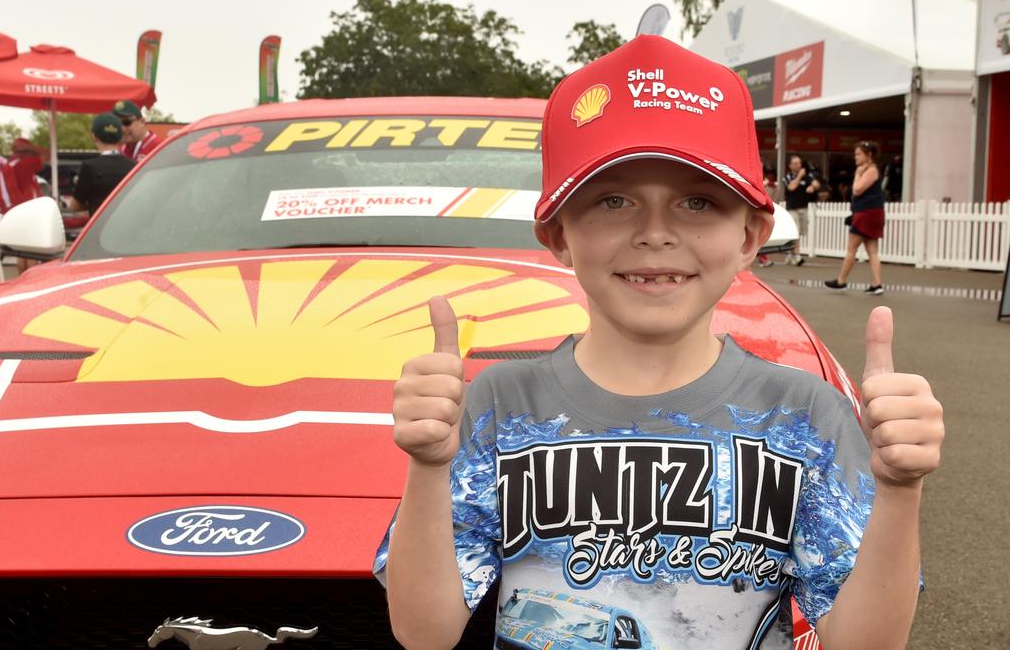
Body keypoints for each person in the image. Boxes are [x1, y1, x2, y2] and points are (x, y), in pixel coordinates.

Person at [376, 36, 942, 650]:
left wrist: (899, 491)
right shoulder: (499, 406)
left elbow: (863, 642)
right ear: (558, 233)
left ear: (752, 235)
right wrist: (429, 470)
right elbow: (423, 632)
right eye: (613, 201)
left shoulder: (806, 416)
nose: (654, 234)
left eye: (697, 202)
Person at [826, 141, 886, 294]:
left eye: (859, 154)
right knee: (872, 250)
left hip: (866, 213)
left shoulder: (870, 170)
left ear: (869, 155)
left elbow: (857, 190)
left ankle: (841, 281)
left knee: (851, 248)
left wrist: (858, 174)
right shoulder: (871, 169)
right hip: (872, 212)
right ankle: (876, 284)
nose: (855, 157)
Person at [70, 113, 135, 215]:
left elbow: (75, 206)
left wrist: (95, 205)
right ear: (120, 137)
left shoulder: (89, 167)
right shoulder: (133, 166)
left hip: (101, 228)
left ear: (94, 136)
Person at [783, 153, 821, 265]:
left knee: (800, 232)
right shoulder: (787, 177)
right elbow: (791, 187)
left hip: (803, 207)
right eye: (795, 163)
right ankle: (797, 255)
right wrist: (799, 176)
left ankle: (790, 253)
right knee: (795, 232)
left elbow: (816, 184)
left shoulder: (807, 176)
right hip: (792, 208)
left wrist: (812, 187)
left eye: (799, 163)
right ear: (790, 165)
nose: (798, 165)